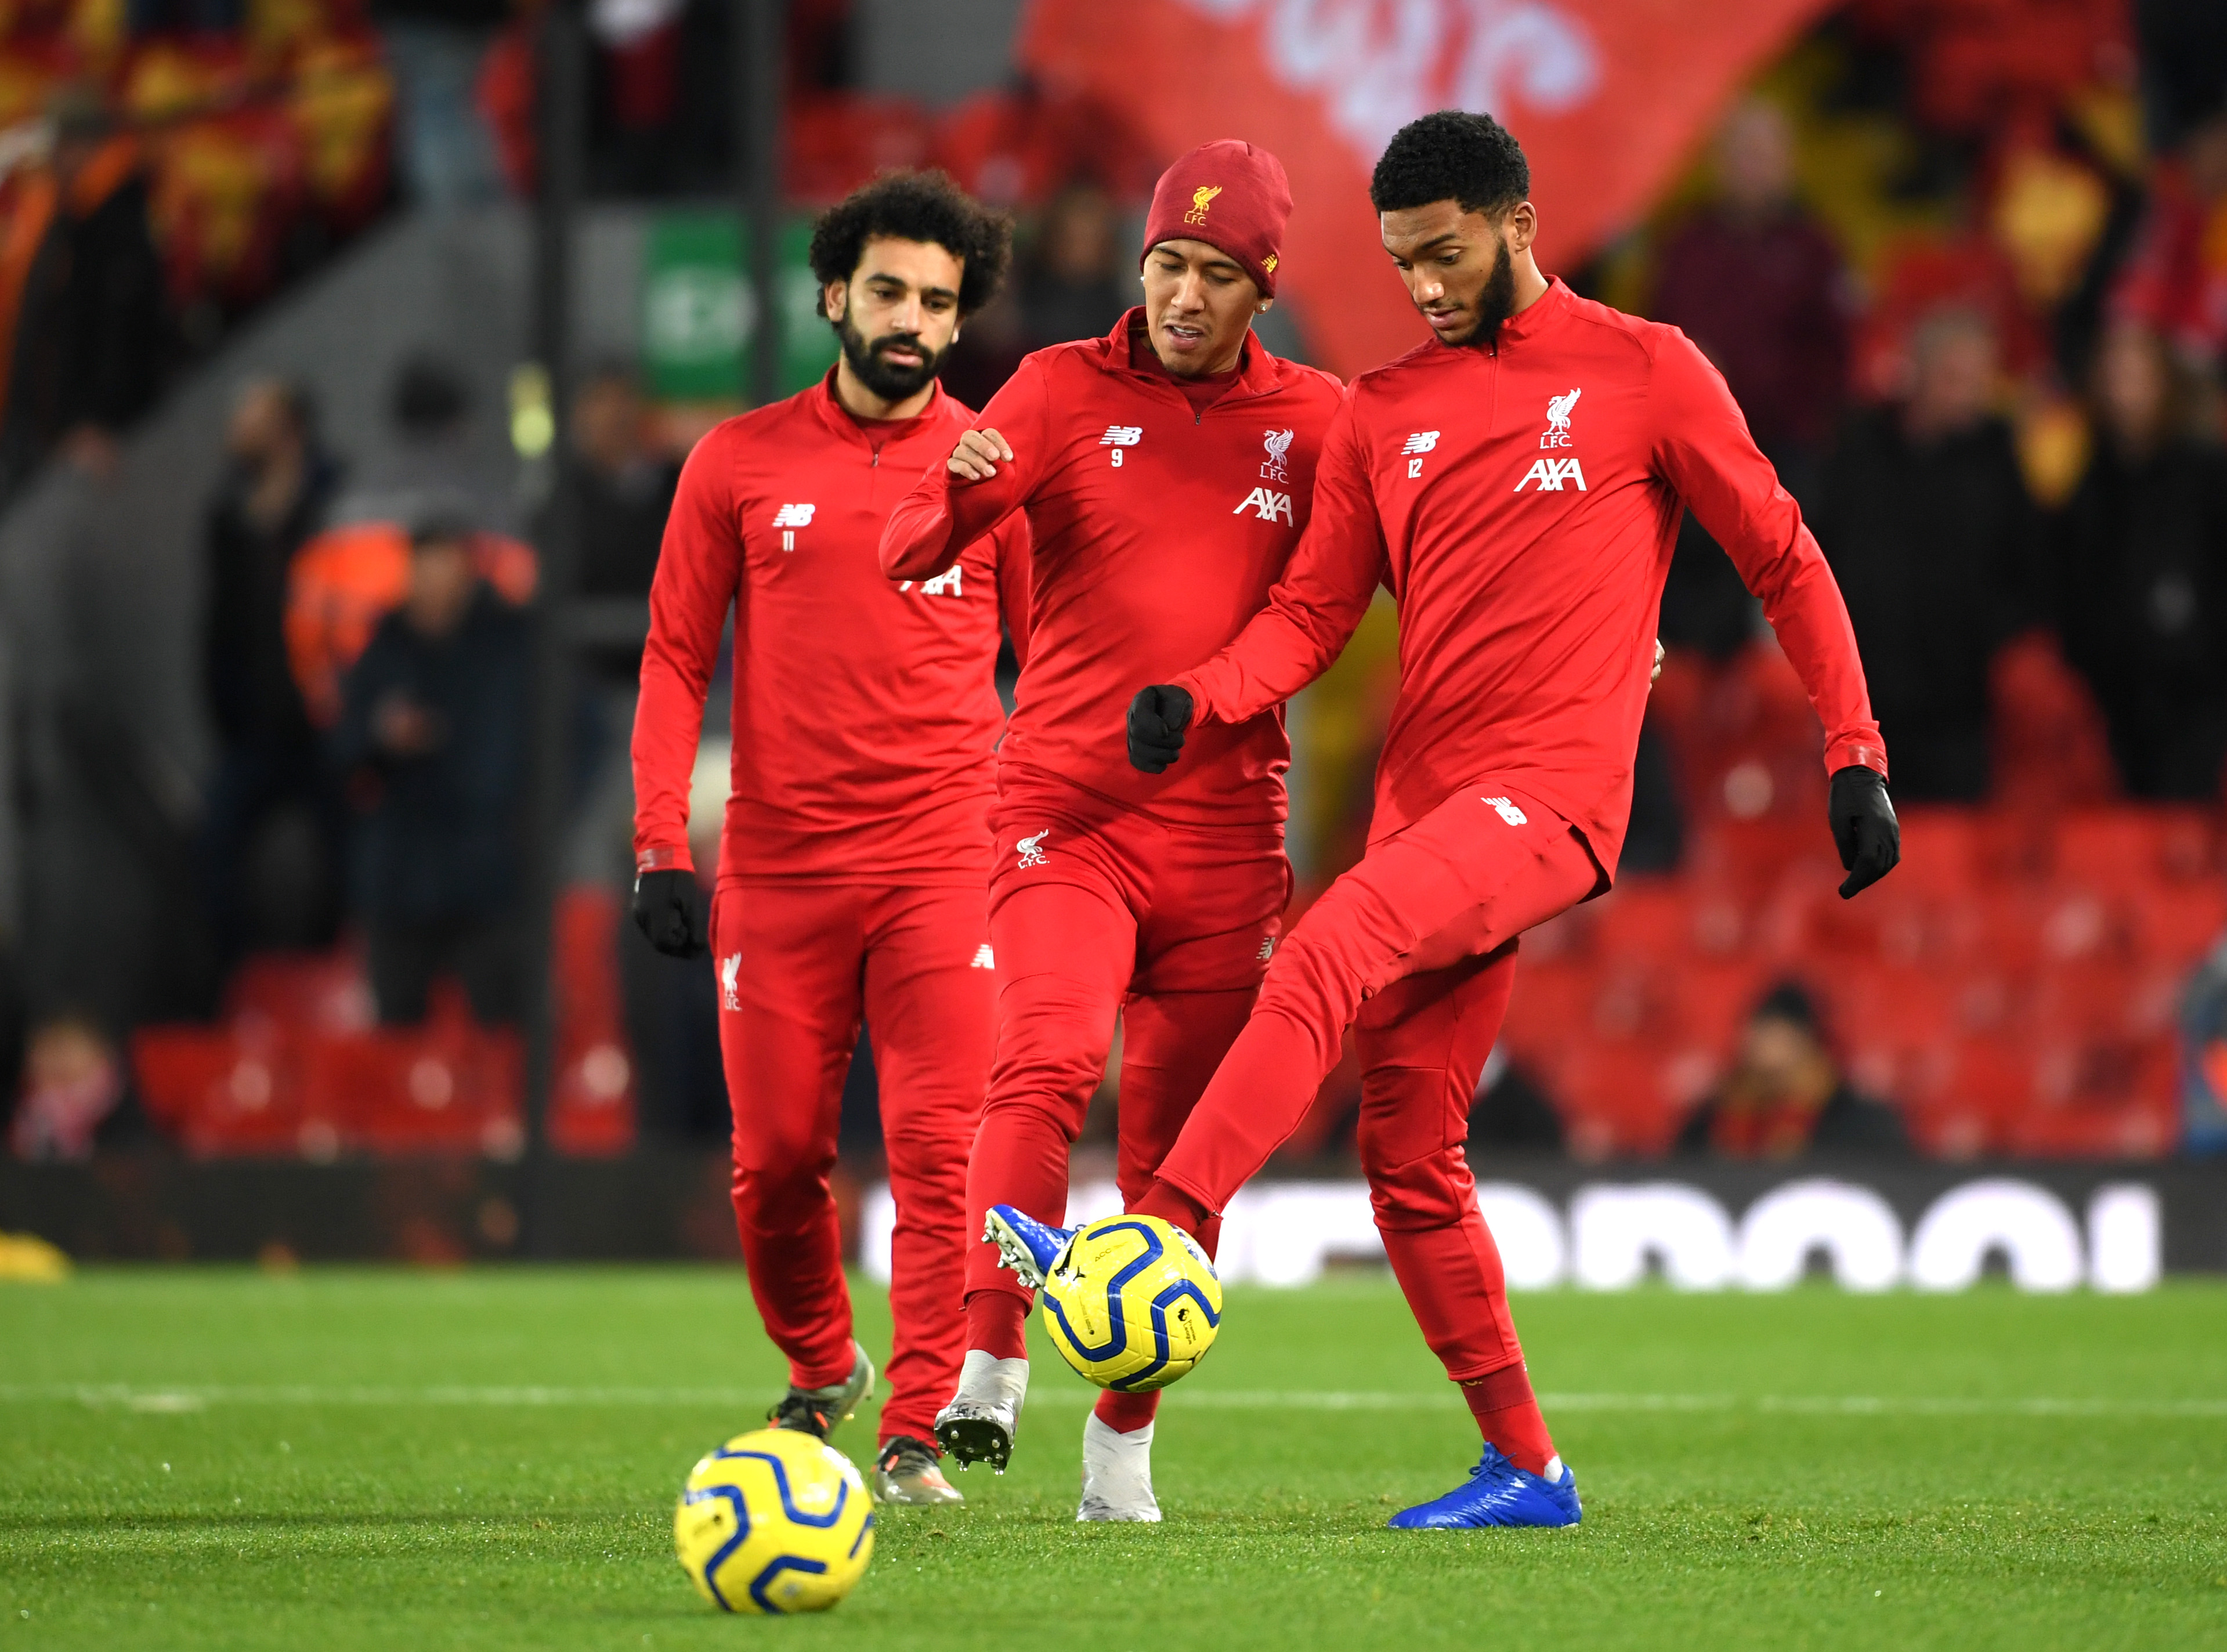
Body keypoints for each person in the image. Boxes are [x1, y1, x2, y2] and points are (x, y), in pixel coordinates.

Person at [1079, 110, 1899, 1530]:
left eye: (1448, 255)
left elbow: (1780, 551)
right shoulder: (1381, 411)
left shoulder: (1647, 371)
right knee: (1406, 1150)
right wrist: (1200, 698)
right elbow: (1314, 614)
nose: (1427, 287)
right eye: (1404, 265)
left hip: (1554, 798)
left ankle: (1157, 1231)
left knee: (1322, 948)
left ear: (1518, 221)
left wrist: (1852, 747)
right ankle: (1528, 1465)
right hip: (1429, 809)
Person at [878, 139, 1344, 1521]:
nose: (1184, 295)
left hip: (1224, 838)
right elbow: (910, 547)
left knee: (1173, 1161)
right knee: (1043, 1061)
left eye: (1214, 272)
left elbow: (1367, 596)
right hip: (1067, 815)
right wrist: (958, 488)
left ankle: (1120, 1451)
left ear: (1262, 284)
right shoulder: (1057, 388)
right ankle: (987, 1366)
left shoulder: (1319, 425)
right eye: (1165, 264)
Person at [631, 170, 1025, 1508]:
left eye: (937, 300)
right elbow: (675, 659)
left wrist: (1041, 832)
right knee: (778, 1157)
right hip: (782, 870)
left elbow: (1060, 657)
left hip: (942, 863)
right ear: (833, 295)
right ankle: (822, 1360)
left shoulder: (993, 471)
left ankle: (913, 1427)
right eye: (890, 291)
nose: (912, 317)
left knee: (935, 1152)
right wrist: (656, 847)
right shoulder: (734, 462)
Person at [1807, 305, 2036, 801]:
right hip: (1862, 695)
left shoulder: (1998, 458)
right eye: (1955, 377)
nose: (1968, 394)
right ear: (1917, 371)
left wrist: (1991, 634)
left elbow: (2028, 566)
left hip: (1959, 701)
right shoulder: (1858, 448)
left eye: (1979, 380)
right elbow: (1818, 549)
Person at [331, 516, 531, 1026]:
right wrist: (381, 733)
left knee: (504, 1036)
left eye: (445, 574)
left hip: (490, 875)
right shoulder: (385, 645)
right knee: (396, 1040)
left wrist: (537, 813)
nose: (434, 591)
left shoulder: (510, 645)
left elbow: (575, 736)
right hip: (402, 876)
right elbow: (339, 747)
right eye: (424, 575)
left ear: (466, 573)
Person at [200, 378, 345, 967]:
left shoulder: (333, 507)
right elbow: (221, 625)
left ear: (288, 431)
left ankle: (336, 980)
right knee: (212, 845)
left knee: (350, 854)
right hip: (252, 728)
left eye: (251, 418)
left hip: (325, 729)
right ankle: (235, 981)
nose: (236, 432)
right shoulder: (228, 518)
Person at [2052, 321, 2227, 798]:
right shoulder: (2090, 478)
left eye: (2135, 376)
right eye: (2114, 376)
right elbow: (2073, 573)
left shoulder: (2205, 472)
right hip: (2115, 689)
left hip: (2195, 687)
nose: (2124, 391)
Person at [0, 85, 167, 497]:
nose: (50, 161)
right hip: (46, 428)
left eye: (57, 146)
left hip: (88, 437)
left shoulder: (112, 221)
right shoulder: (68, 216)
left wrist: (95, 418)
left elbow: (118, 328)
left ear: (80, 145)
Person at [1676, 982, 1908, 1157]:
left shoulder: (1854, 1117)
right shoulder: (1718, 1114)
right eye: (1763, 1037)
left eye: (1783, 1039)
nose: (1771, 1052)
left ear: (1810, 1045)